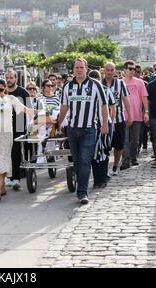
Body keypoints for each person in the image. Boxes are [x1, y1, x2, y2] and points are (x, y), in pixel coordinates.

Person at [57, 58, 109, 205]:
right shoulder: (68, 86)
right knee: (77, 161)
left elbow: (104, 106)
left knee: (86, 160)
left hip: (89, 129)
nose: (79, 70)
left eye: (81, 67)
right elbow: (64, 107)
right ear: (73, 69)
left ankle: (82, 193)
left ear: (86, 69)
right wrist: (59, 123)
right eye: (76, 67)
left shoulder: (95, 85)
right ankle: (81, 186)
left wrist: (104, 124)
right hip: (73, 129)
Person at [0, 79, 35, 201]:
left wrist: (40, 113)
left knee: (3, 159)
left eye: (1, 89)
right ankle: (1, 189)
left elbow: (25, 109)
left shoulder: (11, 99)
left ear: (5, 88)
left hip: (7, 134)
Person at [102, 62, 132, 176]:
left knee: (119, 145)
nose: (109, 72)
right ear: (104, 70)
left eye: (112, 70)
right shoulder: (99, 84)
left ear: (115, 71)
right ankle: (103, 167)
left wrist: (130, 115)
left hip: (119, 119)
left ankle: (115, 166)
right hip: (103, 120)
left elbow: (126, 100)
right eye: (107, 70)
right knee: (104, 145)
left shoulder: (120, 84)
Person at [5, 69, 32, 190]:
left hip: (19, 126)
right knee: (7, 153)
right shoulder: (2, 92)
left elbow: (30, 109)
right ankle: (10, 177)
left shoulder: (23, 92)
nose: (9, 80)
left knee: (16, 153)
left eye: (11, 77)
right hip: (5, 127)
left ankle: (16, 178)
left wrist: (31, 127)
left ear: (16, 78)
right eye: (7, 78)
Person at [89, 70, 116, 188]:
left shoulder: (90, 90)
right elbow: (113, 106)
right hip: (104, 124)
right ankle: (102, 177)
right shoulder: (105, 89)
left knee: (96, 152)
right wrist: (111, 121)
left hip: (96, 124)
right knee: (104, 151)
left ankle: (98, 179)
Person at [121, 60, 149, 170]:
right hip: (123, 116)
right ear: (125, 70)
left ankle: (133, 157)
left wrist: (146, 112)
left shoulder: (140, 82)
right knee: (125, 140)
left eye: (134, 69)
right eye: (130, 69)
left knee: (135, 140)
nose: (133, 71)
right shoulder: (120, 82)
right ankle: (125, 161)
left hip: (137, 115)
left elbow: (144, 97)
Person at [34, 79, 60, 163]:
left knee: (51, 123)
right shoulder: (39, 98)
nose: (50, 87)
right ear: (43, 87)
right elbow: (37, 111)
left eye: (52, 85)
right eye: (48, 86)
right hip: (43, 121)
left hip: (53, 120)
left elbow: (59, 109)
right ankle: (41, 156)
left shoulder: (56, 98)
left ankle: (50, 155)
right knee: (43, 125)